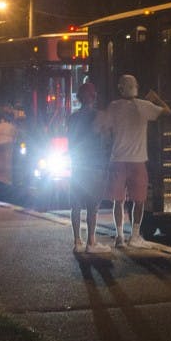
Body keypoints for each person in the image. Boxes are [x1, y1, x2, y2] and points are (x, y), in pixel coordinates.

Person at [98, 74, 171, 249]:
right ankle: (135, 236)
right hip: (138, 161)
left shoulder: (113, 107)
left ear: (121, 88)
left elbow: (104, 129)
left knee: (118, 200)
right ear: (136, 87)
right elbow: (167, 111)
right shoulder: (144, 106)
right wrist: (156, 98)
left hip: (117, 160)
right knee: (139, 200)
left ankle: (119, 236)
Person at [68, 82, 111, 254]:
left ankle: (77, 240)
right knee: (93, 206)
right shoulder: (99, 116)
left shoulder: (72, 118)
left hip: (77, 165)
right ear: (94, 97)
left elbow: (70, 142)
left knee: (76, 205)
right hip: (94, 165)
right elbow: (106, 140)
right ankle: (91, 242)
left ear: (79, 98)